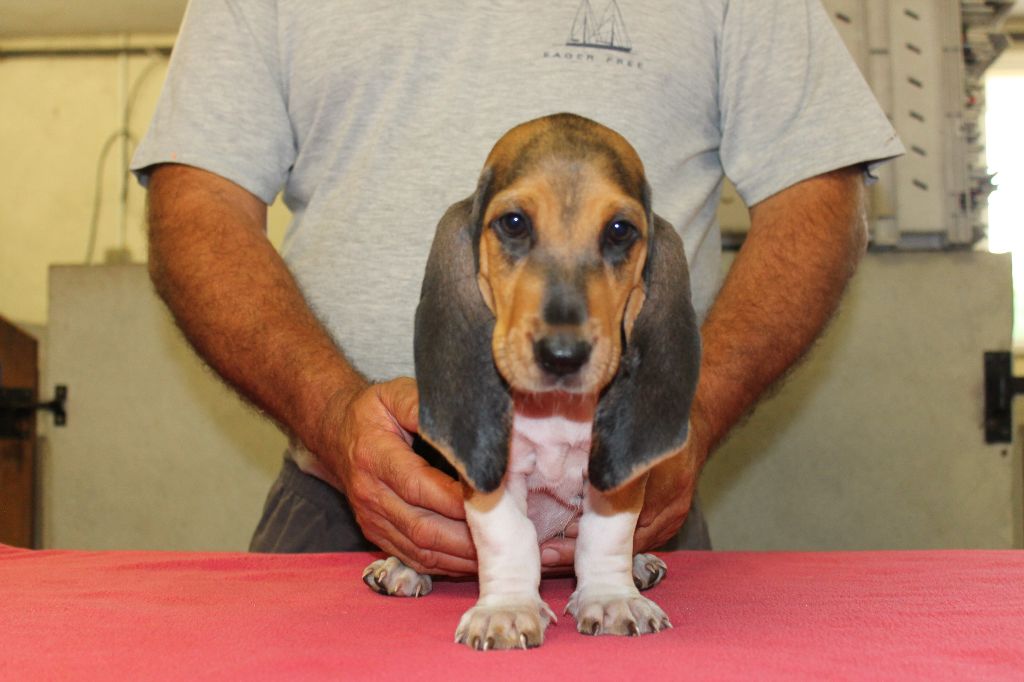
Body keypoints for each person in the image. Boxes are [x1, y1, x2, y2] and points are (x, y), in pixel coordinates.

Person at [132, 0, 903, 575]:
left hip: (627, 498)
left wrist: (685, 420)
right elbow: (198, 202)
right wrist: (334, 421)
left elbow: (818, 192)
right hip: (349, 503)